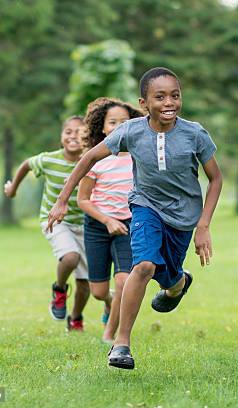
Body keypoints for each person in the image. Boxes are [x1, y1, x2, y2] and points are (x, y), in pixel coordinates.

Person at [46, 67, 223, 370]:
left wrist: (203, 225)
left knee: (169, 276)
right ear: (143, 104)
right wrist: (62, 200)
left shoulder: (195, 134)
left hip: (182, 218)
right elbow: (89, 158)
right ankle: (121, 344)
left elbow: (216, 178)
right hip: (145, 207)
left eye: (175, 96)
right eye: (160, 97)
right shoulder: (131, 131)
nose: (169, 102)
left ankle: (178, 284)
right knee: (143, 266)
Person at [4, 116, 90, 331]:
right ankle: (59, 290)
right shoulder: (49, 160)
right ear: (61, 137)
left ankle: (76, 318)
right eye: (68, 132)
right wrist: (13, 188)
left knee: (84, 283)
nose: (73, 136)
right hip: (55, 221)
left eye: (79, 132)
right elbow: (26, 165)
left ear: (88, 137)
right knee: (70, 258)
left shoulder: (92, 161)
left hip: (87, 226)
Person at [78, 97, 142, 343]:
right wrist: (106, 220)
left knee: (125, 281)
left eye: (124, 122)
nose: (118, 127)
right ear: (103, 128)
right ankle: (109, 303)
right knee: (99, 291)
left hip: (127, 225)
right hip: (97, 225)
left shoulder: (139, 157)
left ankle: (110, 334)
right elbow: (83, 200)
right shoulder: (96, 158)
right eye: (112, 122)